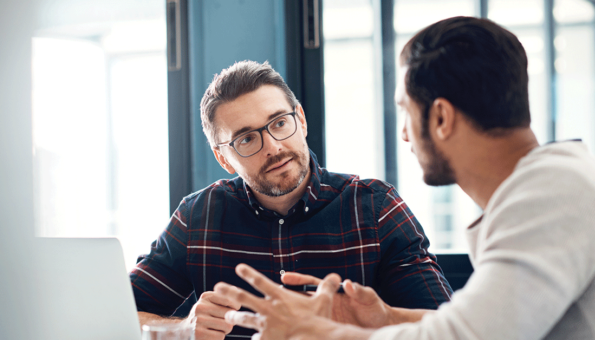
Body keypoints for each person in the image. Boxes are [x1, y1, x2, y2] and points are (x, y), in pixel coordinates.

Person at [214, 16, 595, 340]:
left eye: (405, 111)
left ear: (441, 118)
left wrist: (319, 331)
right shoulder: (550, 185)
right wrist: (385, 319)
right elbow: (482, 323)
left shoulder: (551, 194)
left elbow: (467, 337)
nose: (405, 135)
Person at [130, 60, 452, 339]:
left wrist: (372, 325)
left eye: (279, 123)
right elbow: (119, 314)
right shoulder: (196, 218)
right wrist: (183, 330)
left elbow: (451, 329)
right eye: (246, 138)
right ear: (224, 159)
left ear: (301, 119)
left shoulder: (376, 208)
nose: (273, 147)